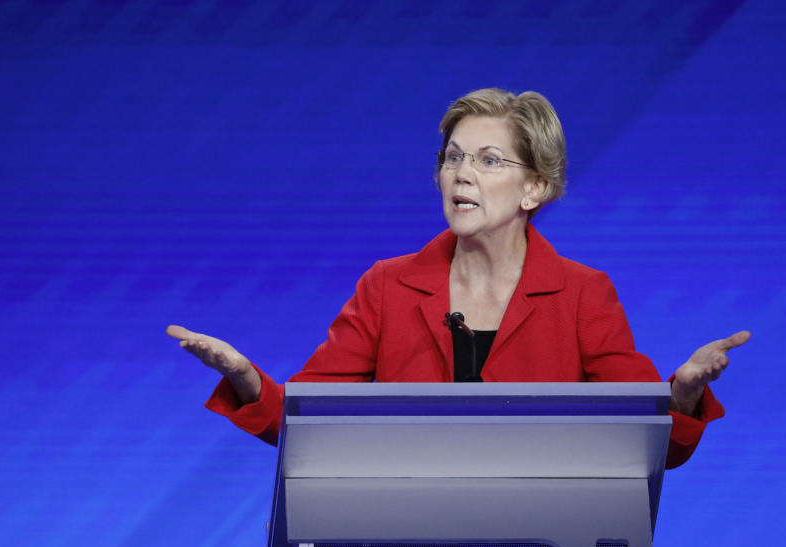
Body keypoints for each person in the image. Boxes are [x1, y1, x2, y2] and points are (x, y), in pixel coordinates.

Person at [167, 88, 749, 468]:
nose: (461, 174)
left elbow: (647, 437)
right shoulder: (387, 286)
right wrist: (246, 379)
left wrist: (683, 393)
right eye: (452, 157)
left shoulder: (581, 294)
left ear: (535, 188)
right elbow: (310, 422)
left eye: (488, 160)